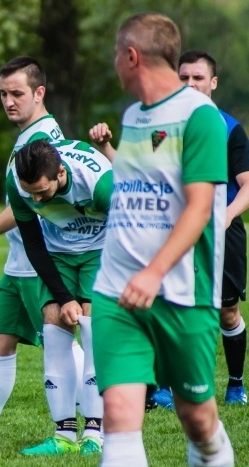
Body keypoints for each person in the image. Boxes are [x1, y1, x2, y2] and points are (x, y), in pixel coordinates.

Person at [93, 12, 233, 467]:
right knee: (119, 418)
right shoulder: (132, 117)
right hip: (117, 293)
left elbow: (199, 209)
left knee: (197, 419)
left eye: (115, 54)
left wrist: (153, 272)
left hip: (181, 293)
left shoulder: (200, 118)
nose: (115, 64)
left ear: (132, 57)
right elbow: (132, 194)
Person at [0, 57, 91, 454]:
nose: (8, 102)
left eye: (17, 94)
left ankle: (96, 425)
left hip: (39, 262)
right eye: (3, 94)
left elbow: (25, 205)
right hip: (18, 263)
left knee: (63, 343)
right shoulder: (28, 133)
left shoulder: (42, 140)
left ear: (39, 93)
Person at [90, 49, 249, 408]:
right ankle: (163, 386)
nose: (190, 83)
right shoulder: (158, 126)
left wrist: (224, 217)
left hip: (221, 234)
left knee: (226, 311)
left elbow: (247, 185)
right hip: (171, 233)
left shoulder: (227, 128)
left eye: (198, 77)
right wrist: (105, 147)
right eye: (184, 77)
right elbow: (137, 176)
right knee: (164, 303)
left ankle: (235, 384)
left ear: (213, 83)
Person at [9, 138, 111, 455]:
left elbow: (130, 233)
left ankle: (96, 432)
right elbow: (33, 244)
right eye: (31, 194)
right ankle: (63, 435)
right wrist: (64, 296)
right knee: (54, 329)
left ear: (61, 174)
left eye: (42, 192)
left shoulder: (101, 185)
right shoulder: (18, 181)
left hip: (102, 248)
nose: (36, 199)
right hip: (57, 252)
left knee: (93, 327)